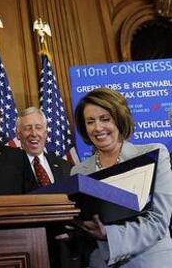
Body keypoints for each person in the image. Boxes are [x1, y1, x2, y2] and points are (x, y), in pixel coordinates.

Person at [71, 87, 172, 267]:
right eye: (90, 121)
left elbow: (158, 221)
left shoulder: (153, 154)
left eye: (105, 119)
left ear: (119, 119)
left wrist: (107, 234)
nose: (98, 127)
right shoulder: (78, 172)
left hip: (150, 261)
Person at [17, 107, 81, 268]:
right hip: (30, 251)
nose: (34, 133)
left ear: (46, 133)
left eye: (38, 127)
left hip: (67, 254)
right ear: (18, 135)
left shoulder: (65, 166)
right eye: (27, 128)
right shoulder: (11, 168)